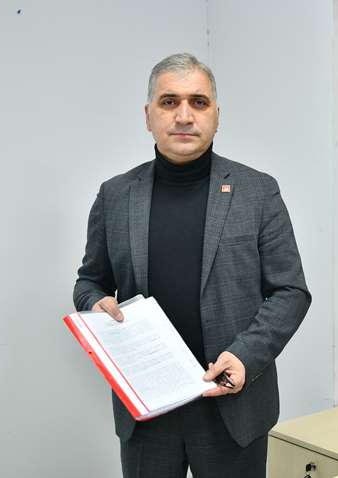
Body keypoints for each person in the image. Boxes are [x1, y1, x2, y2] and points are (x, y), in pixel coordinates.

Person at [73, 53, 311, 478]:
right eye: (169, 102)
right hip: (147, 410)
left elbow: (290, 291)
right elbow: (90, 281)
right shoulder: (115, 196)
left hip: (231, 405)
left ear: (217, 115)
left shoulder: (258, 192)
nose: (184, 116)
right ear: (148, 116)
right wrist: (94, 304)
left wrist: (244, 356)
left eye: (198, 102)